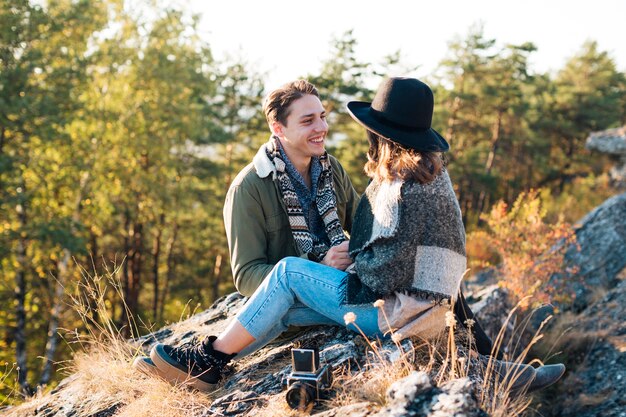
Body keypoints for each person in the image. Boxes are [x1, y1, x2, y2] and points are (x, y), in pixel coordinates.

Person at [142, 77, 564, 392]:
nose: (322, 126)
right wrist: (334, 264)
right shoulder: (253, 187)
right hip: (409, 303)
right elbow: (249, 275)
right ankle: (199, 369)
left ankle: (211, 359)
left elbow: (384, 264)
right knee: (285, 299)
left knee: (289, 274)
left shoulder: (388, 182)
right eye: (309, 119)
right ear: (279, 129)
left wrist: (352, 258)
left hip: (396, 308)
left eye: (322, 116)